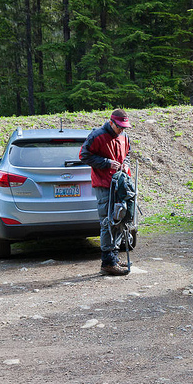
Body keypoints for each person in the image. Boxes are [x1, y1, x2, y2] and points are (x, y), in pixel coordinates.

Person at [80, 109, 132, 276]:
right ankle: (107, 262)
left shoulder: (124, 137)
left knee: (120, 219)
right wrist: (106, 163)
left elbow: (128, 154)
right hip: (104, 185)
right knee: (107, 222)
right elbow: (84, 155)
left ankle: (113, 258)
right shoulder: (97, 136)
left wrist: (125, 164)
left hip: (120, 185)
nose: (122, 130)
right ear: (111, 123)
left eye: (124, 127)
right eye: (119, 127)